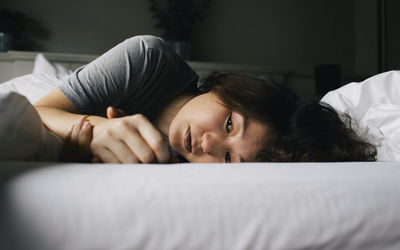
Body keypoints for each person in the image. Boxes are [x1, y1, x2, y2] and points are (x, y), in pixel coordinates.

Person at [34, 35, 376, 164]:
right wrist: (99, 129)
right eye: (229, 123)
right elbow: (41, 110)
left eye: (229, 159)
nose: (208, 145)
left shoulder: (188, 171)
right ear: (225, 89)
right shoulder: (147, 60)